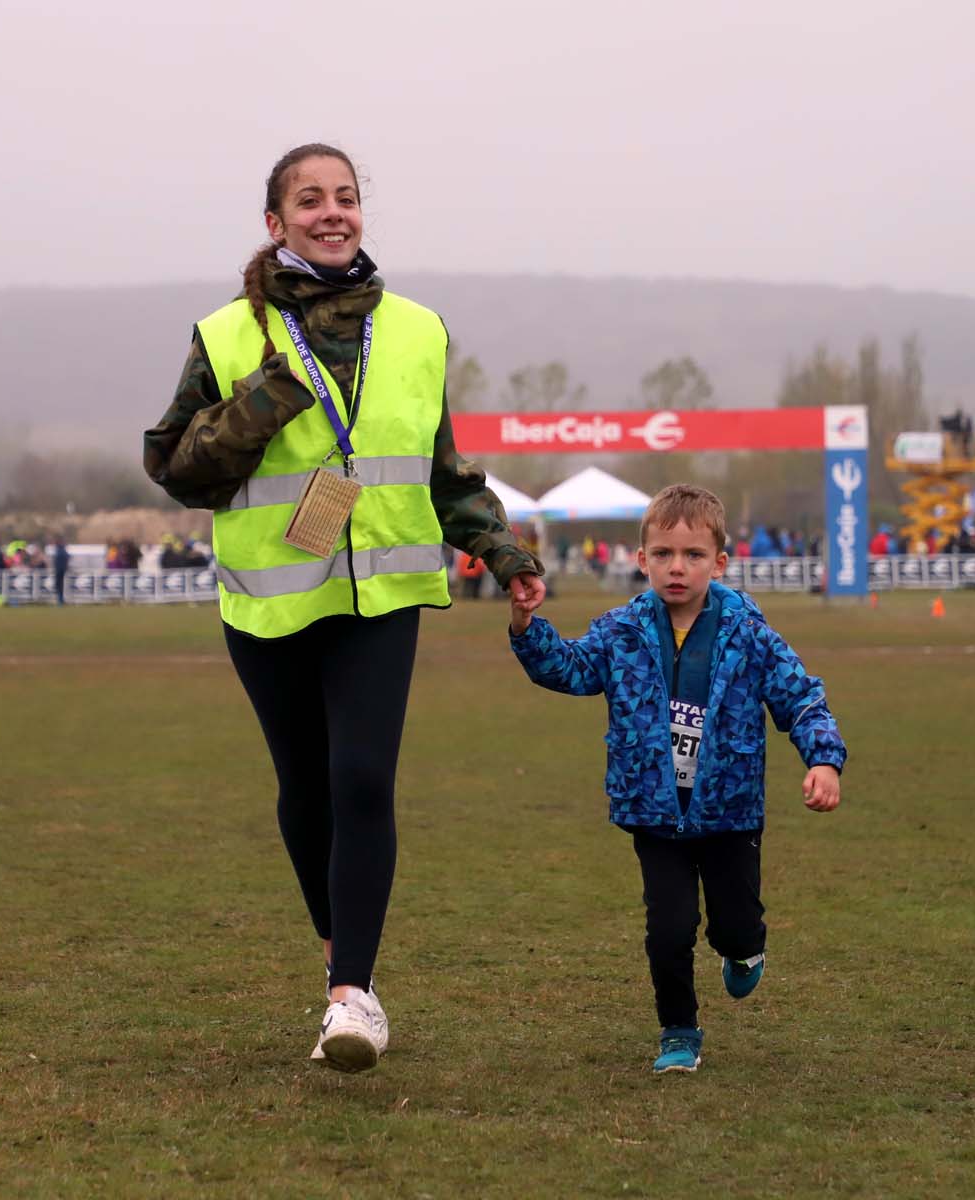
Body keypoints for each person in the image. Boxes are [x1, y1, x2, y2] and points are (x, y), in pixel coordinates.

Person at [142, 142, 544, 1073]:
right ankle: (339, 952)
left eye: (348, 198)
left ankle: (352, 996)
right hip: (271, 597)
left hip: (383, 593)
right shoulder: (226, 334)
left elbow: (443, 468)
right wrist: (265, 403)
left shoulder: (417, 330)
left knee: (363, 779)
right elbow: (176, 468)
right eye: (310, 200)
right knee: (306, 790)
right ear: (276, 224)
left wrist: (499, 545)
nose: (334, 213)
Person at [507, 484, 845, 1074]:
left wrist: (822, 759)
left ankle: (742, 953)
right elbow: (569, 666)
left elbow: (801, 697)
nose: (677, 568)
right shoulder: (623, 631)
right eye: (663, 554)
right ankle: (678, 1031)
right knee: (668, 929)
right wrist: (524, 626)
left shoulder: (749, 635)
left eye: (692, 555)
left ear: (719, 562)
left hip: (730, 812)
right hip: (653, 812)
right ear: (641, 560)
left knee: (736, 927)